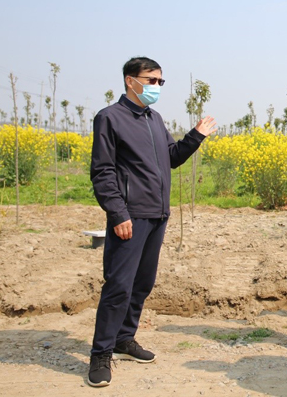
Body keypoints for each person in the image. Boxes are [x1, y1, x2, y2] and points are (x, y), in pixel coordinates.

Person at [87, 57, 216, 387]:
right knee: (119, 285)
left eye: (160, 81)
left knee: (142, 284)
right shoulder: (110, 118)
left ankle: (123, 339)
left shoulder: (154, 119)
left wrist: (196, 135)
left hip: (157, 215)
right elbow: (102, 171)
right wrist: (118, 213)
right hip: (130, 217)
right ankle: (101, 353)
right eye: (151, 80)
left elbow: (171, 158)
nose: (157, 86)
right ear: (130, 81)